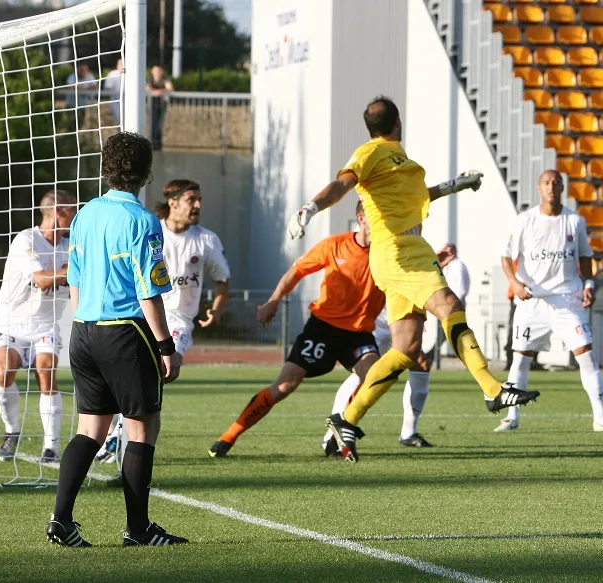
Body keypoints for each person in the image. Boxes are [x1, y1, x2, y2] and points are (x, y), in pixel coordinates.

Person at [287, 95, 539, 459]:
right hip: (398, 251)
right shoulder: (369, 153)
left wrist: (457, 184)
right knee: (449, 304)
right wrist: (310, 208)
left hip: (408, 250)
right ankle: (492, 388)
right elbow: (342, 184)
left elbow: (421, 195)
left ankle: (347, 418)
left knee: (405, 350)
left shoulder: (397, 161)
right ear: (397, 123)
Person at [46, 131, 187, 548]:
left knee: (90, 429)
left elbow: (75, 279)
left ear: (105, 168)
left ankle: (61, 521)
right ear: (146, 173)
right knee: (143, 429)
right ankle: (138, 530)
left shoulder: (85, 214)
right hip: (125, 333)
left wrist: (83, 324)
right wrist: (165, 347)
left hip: (84, 329)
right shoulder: (143, 221)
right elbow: (149, 291)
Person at [208, 201, 386, 460]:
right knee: (285, 385)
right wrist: (273, 301)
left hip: (358, 333)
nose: (382, 220)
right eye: (375, 215)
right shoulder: (335, 245)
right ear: (361, 218)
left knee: (374, 374)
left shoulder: (387, 252)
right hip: (323, 328)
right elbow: (297, 271)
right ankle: (228, 436)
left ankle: (337, 432)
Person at [95, 179, 231, 464]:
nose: (198, 205)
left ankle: (120, 436)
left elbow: (223, 281)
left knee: (162, 370)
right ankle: (116, 434)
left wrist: (217, 310)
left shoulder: (206, 239)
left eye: (199, 199)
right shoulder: (150, 229)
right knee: (126, 375)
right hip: (142, 314)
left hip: (179, 320)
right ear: (173, 202)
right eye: (192, 199)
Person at [496, 169, 603, 433]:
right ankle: (512, 417)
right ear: (538, 188)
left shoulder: (575, 221)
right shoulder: (525, 220)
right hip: (532, 300)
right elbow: (506, 257)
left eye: (556, 183)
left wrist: (589, 284)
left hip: (567, 299)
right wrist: (514, 283)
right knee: (520, 358)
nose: (551, 187)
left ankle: (600, 416)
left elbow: (586, 258)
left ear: (563, 188)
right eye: (546, 183)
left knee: (586, 356)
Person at [0, 190, 77, 464]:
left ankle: (50, 447)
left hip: (45, 324)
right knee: (5, 370)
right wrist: (77, 270)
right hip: (11, 321)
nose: (75, 215)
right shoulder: (26, 239)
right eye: (71, 209)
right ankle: (12, 430)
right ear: (58, 211)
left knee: (46, 371)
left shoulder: (72, 245)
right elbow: (40, 279)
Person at [322, 307, 434, 454]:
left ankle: (409, 432)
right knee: (365, 373)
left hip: (400, 314)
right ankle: (331, 437)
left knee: (421, 365)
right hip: (378, 318)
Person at [146, 65, 174, 150]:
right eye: (156, 71)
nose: (157, 73)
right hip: (151, 105)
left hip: (161, 105)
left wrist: (160, 91)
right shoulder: (150, 80)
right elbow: (147, 88)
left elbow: (170, 88)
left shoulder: (165, 80)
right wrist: (156, 91)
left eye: (159, 71)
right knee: (152, 124)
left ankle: (158, 144)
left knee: (159, 125)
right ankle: (152, 143)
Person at [104, 58, 124, 126]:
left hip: (127, 102)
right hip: (115, 102)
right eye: (120, 64)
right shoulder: (112, 74)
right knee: (120, 121)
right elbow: (108, 87)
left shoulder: (131, 74)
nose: (122, 65)